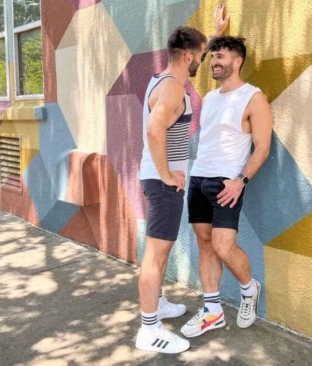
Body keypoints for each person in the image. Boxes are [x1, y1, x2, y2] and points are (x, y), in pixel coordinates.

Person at [135, 3, 229, 351]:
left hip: (155, 179)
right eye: (202, 54)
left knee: (158, 251)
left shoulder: (165, 76)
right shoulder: (174, 90)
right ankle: (149, 328)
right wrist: (167, 174)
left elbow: (194, 63)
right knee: (157, 255)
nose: (204, 59)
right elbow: (154, 131)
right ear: (188, 55)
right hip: (162, 183)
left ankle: (156, 304)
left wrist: (215, 33)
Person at [180, 35, 272, 338]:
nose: (214, 62)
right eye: (213, 56)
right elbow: (193, 59)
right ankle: (213, 312)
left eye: (221, 57)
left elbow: (262, 147)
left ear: (238, 61)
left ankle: (249, 288)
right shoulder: (210, 98)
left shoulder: (253, 97)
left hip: (226, 183)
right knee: (205, 243)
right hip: (199, 178)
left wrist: (240, 181)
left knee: (222, 246)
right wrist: (216, 33)